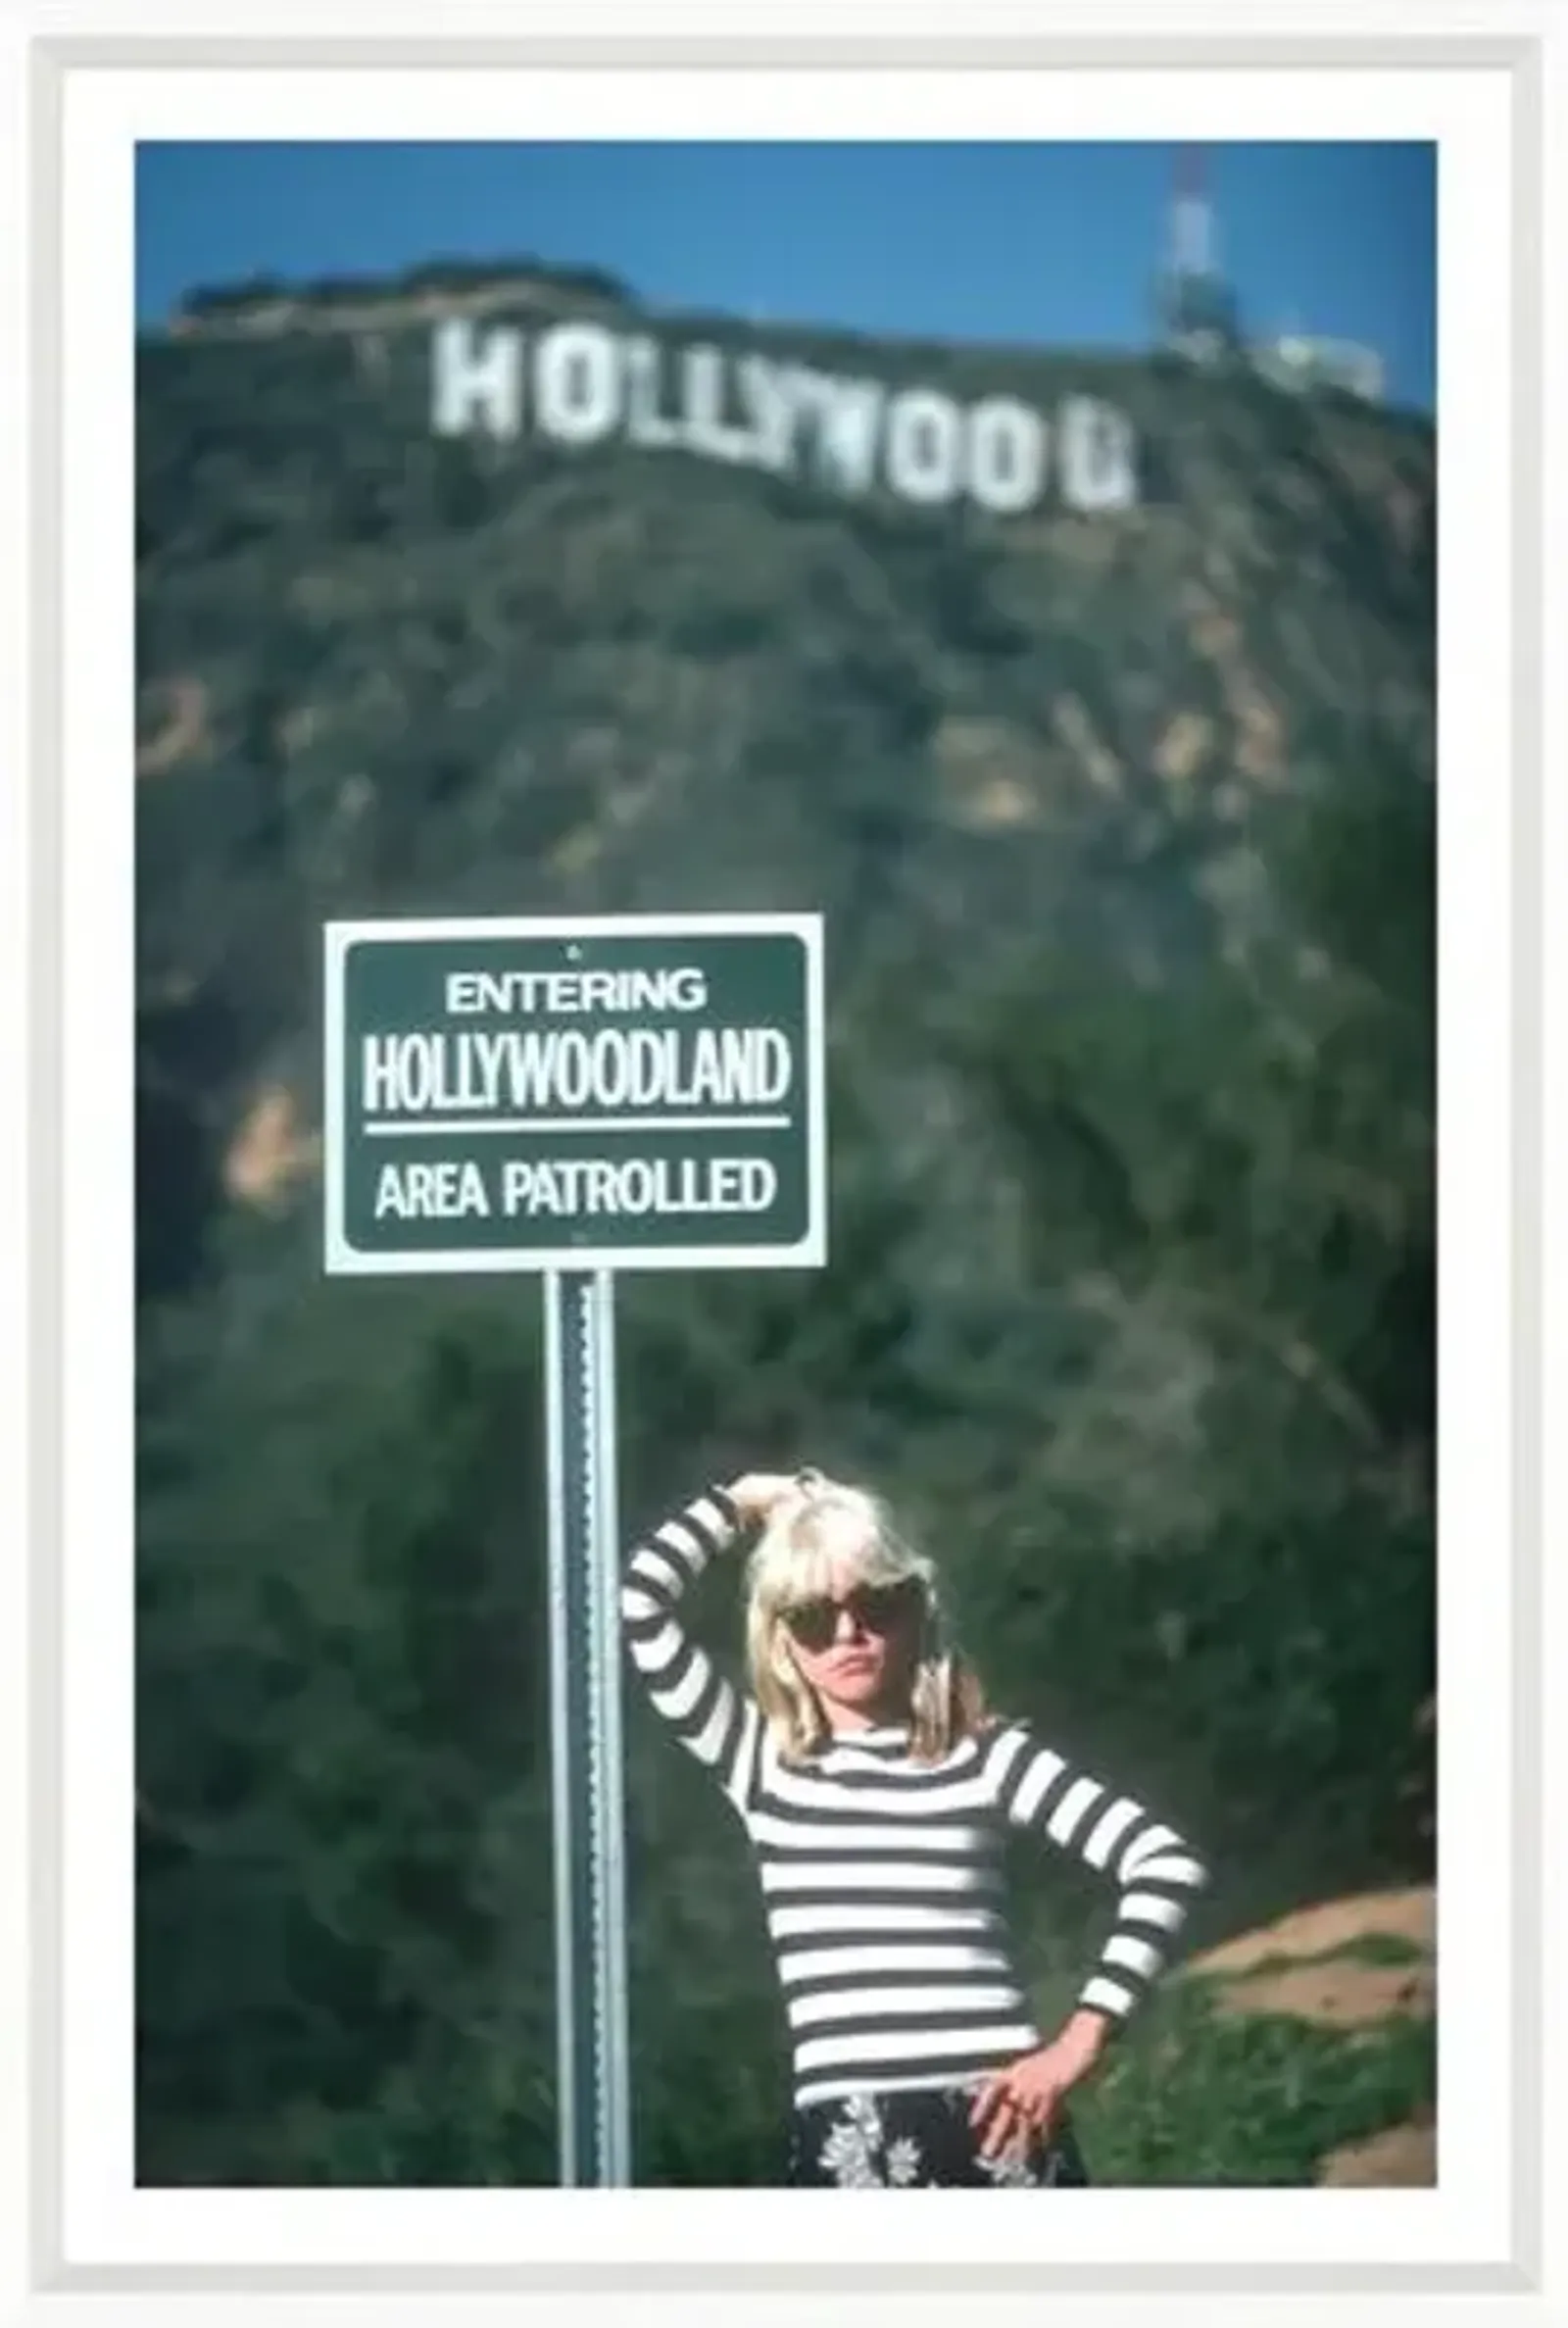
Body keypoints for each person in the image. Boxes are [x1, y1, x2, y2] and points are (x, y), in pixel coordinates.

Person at [619, 1465, 1210, 2189]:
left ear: (916, 1608)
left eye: (876, 1602)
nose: (848, 1630)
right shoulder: (760, 1763)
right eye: (811, 1614)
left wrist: (1077, 2043)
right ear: (781, 1640)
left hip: (1003, 2125)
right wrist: (747, 1499)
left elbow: (1163, 1862)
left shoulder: (988, 1756)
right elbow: (641, 1604)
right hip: (847, 2138)